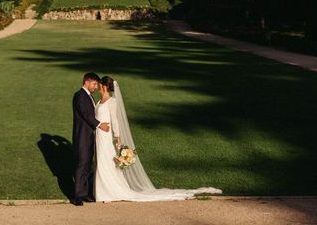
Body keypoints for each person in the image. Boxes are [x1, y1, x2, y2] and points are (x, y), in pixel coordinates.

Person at [94, 75, 222, 202]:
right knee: (101, 160)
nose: (98, 86)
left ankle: (109, 191)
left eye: (99, 84)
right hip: (99, 136)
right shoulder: (99, 102)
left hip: (105, 136)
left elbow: (115, 120)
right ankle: (104, 190)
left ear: (104, 86)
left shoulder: (112, 102)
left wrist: (117, 137)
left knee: (105, 160)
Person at [72, 72, 109, 206]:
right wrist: (100, 125)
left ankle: (86, 193)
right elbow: (86, 114)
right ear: (86, 82)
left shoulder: (89, 96)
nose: (95, 87)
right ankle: (77, 195)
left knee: (88, 165)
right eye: (94, 84)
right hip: (82, 136)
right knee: (82, 164)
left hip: (89, 136)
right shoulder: (80, 95)